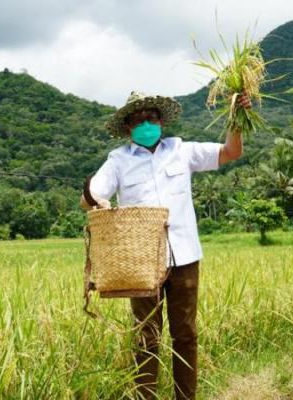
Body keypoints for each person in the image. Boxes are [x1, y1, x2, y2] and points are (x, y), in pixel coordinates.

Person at [80, 90, 251, 399]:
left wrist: (236, 119)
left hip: (184, 257)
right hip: (141, 263)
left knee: (185, 333)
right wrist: (98, 201)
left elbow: (231, 152)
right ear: (129, 126)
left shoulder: (181, 150)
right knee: (146, 336)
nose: (147, 122)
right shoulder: (118, 161)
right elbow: (90, 196)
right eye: (139, 119)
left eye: (152, 117)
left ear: (161, 121)